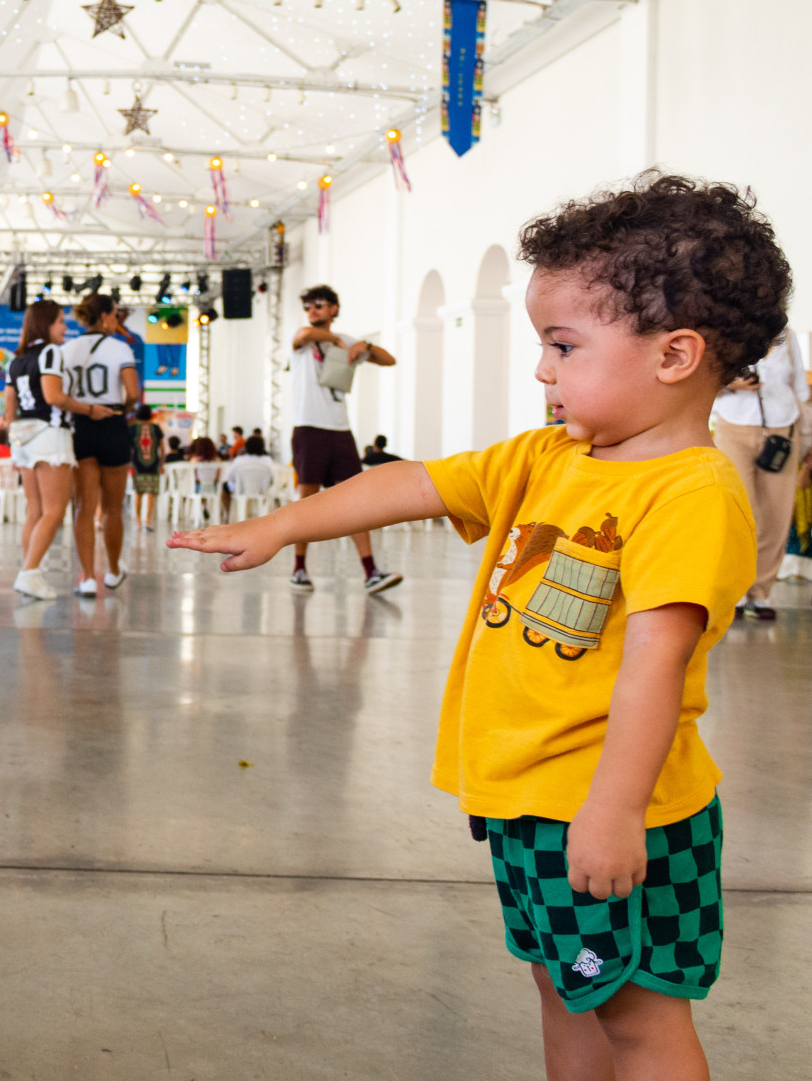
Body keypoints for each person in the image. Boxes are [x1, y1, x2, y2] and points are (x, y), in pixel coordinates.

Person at [173, 175, 785, 1081]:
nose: (542, 370)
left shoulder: (688, 493)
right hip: (528, 805)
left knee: (639, 1016)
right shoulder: (550, 457)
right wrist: (282, 525)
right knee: (564, 988)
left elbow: (657, 663)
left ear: (675, 355)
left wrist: (613, 812)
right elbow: (414, 483)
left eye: (564, 346)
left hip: (609, 808)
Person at [290, 284, 402, 595]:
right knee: (307, 500)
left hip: (340, 430)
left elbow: (388, 359)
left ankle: (371, 572)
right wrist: (338, 340)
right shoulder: (303, 340)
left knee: (354, 501)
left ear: (333, 309)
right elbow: (303, 335)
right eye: (309, 306)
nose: (313, 310)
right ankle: (299, 568)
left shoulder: (348, 342)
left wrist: (363, 345)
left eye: (319, 305)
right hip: (308, 427)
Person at [3, 299, 106, 598]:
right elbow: (54, 396)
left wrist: (16, 439)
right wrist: (90, 409)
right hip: (50, 435)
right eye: (61, 321)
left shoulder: (16, 359)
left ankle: (29, 572)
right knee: (54, 511)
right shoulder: (50, 352)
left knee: (35, 511)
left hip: (23, 436)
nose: (65, 327)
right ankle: (29, 573)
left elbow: (9, 407)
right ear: (45, 324)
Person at [711, 328, 807, 619]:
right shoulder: (723, 330)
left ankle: (761, 593)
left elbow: (800, 392)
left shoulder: (787, 337)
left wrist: (809, 441)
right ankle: (736, 593)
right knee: (739, 511)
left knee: (775, 514)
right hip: (733, 425)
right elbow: (700, 382)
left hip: (782, 429)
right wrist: (732, 384)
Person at [63, 293, 141, 595]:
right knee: (112, 508)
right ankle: (113, 570)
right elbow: (132, 391)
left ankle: (87, 577)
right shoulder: (119, 347)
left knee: (83, 507)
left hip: (80, 424)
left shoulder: (68, 348)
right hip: (113, 424)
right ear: (108, 315)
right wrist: (125, 407)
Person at [222, 433, 275, 520]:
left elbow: (229, 477)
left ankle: (228, 515)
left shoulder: (240, 460)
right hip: (261, 491)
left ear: (246, 447)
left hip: (241, 491)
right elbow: (271, 480)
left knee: (224, 487)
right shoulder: (267, 460)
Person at [131, 405, 166, 526]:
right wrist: (162, 464)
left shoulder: (133, 428)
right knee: (152, 492)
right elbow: (162, 449)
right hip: (154, 464)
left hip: (137, 464)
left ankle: (138, 520)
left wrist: (130, 464)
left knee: (138, 492)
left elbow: (129, 449)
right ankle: (148, 519)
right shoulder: (156, 428)